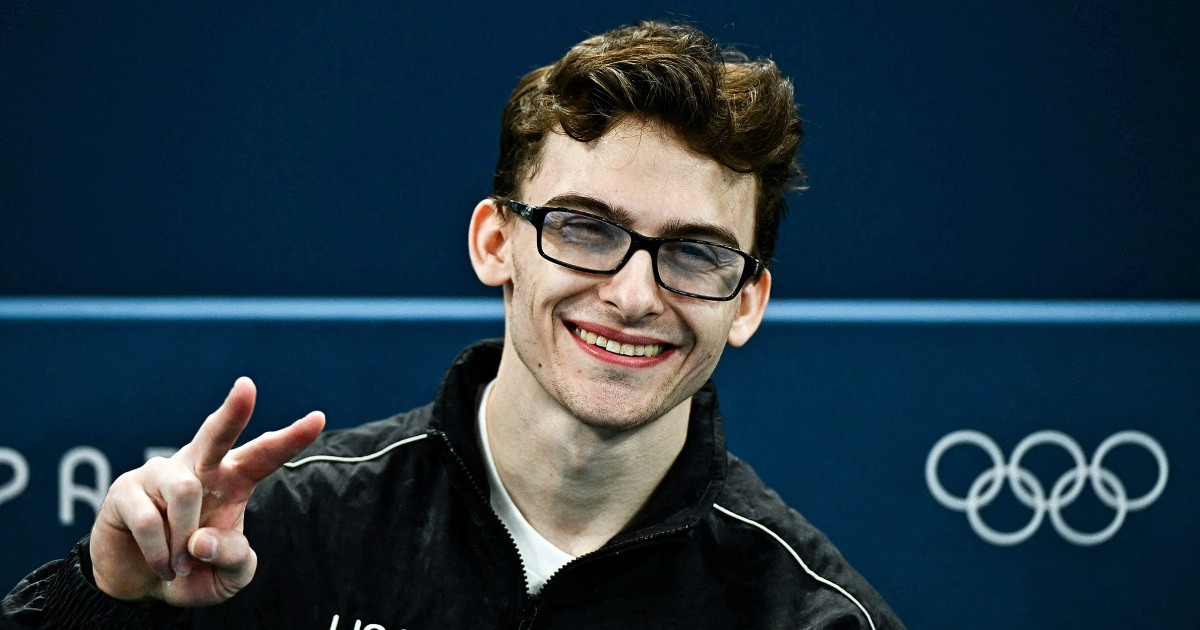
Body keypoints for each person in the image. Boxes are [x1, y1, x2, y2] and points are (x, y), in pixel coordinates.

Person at [3, 20, 904, 629]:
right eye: (585, 228)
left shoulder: (810, 615)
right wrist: (106, 596)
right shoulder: (274, 537)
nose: (635, 296)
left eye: (696, 253)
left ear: (747, 301)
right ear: (495, 242)